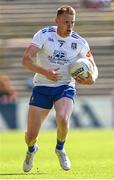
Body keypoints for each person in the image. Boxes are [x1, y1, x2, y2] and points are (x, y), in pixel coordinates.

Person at [22, 5, 98, 172]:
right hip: (42, 86)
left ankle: (60, 148)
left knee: (63, 118)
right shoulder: (44, 35)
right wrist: (45, 72)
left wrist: (92, 78)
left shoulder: (79, 42)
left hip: (65, 85)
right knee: (31, 135)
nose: (70, 26)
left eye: (73, 22)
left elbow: (93, 65)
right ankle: (31, 150)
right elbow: (26, 60)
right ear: (57, 21)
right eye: (66, 22)